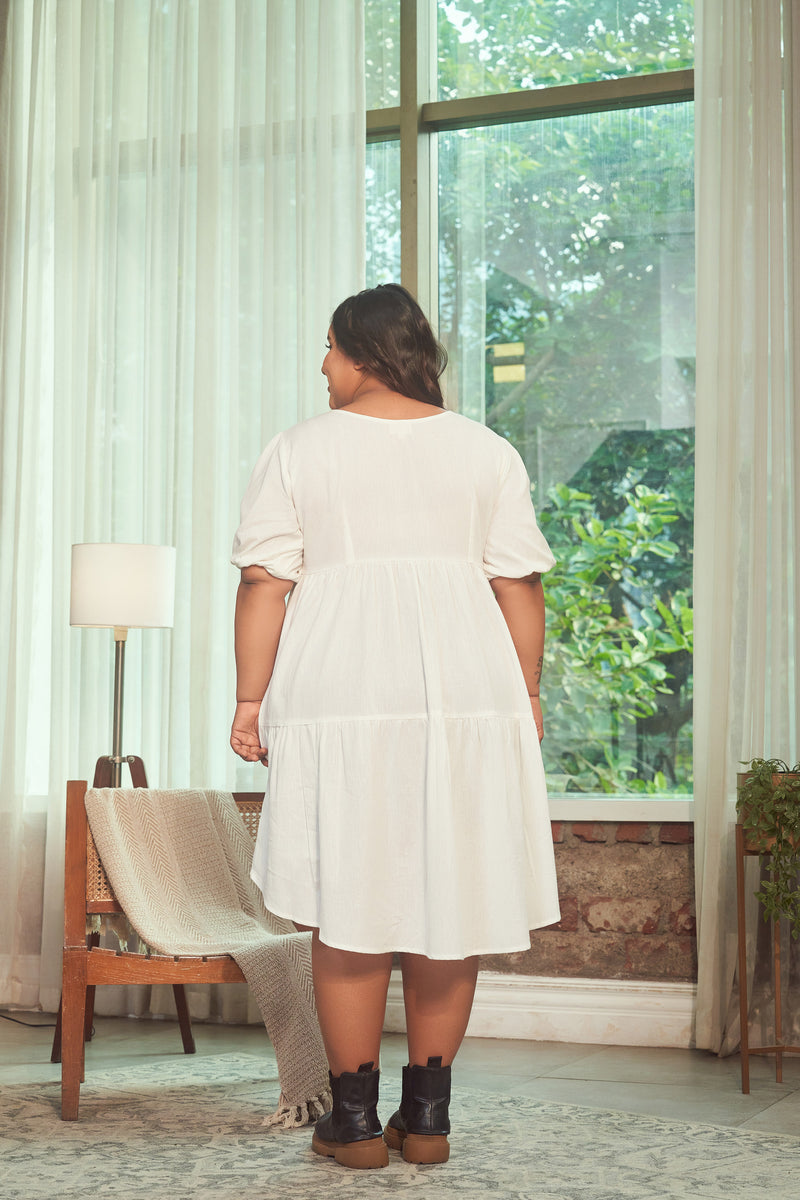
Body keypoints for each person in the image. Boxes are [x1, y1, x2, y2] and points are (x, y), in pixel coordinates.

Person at [230, 284, 559, 1170]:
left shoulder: (299, 448)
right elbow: (519, 584)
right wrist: (525, 694)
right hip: (469, 690)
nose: (322, 365)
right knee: (453, 896)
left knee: (347, 898)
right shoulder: (487, 451)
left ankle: (351, 1123)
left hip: (338, 686)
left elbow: (264, 582)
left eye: (329, 348)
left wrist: (250, 701)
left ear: (361, 351)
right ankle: (428, 1121)